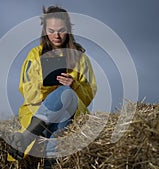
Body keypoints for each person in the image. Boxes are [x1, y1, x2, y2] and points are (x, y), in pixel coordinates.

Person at [8, 5, 97, 168]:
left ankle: (28, 136)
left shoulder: (81, 59)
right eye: (51, 30)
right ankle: (50, 163)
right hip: (39, 110)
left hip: (71, 113)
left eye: (61, 30)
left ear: (68, 30)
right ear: (45, 31)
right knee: (61, 115)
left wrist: (74, 85)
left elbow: (90, 93)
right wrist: (46, 86)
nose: (56, 35)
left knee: (67, 93)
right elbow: (26, 90)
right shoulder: (34, 55)